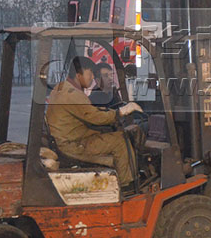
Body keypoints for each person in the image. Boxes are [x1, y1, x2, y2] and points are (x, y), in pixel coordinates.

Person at [46, 56, 145, 191]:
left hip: (67, 139)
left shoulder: (61, 88)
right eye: (90, 73)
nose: (92, 77)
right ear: (79, 74)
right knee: (120, 140)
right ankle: (127, 185)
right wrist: (120, 113)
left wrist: (109, 112)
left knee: (111, 136)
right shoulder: (72, 94)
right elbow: (95, 117)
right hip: (73, 145)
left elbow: (88, 112)